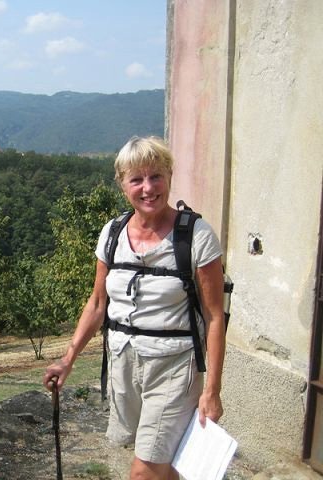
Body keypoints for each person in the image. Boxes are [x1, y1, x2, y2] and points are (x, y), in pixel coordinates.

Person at [43, 136, 226, 480]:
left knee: (144, 471)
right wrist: (68, 359)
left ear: (169, 176)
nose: (148, 188)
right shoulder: (112, 233)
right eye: (137, 179)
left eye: (156, 176)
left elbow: (215, 317)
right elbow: (98, 303)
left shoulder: (196, 236)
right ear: (122, 184)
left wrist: (212, 391)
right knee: (163, 465)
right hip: (123, 366)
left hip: (174, 367)